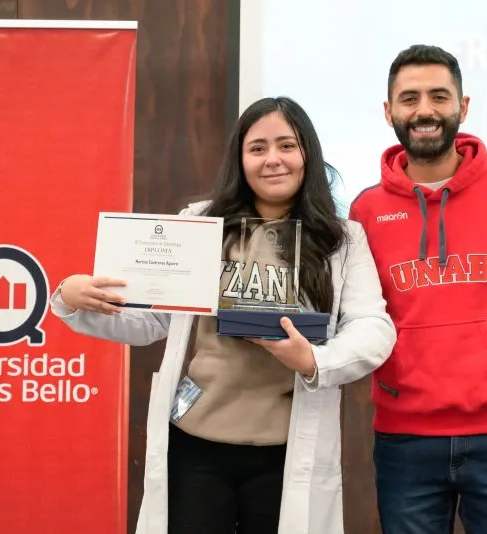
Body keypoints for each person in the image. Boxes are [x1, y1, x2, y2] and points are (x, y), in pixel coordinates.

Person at [50, 96, 396, 534]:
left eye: (286, 146)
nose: (273, 159)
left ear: (307, 152)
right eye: (258, 148)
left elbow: (372, 327)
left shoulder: (342, 239)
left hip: (286, 452)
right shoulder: (200, 222)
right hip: (197, 446)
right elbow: (154, 321)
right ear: (240, 159)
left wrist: (314, 361)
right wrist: (72, 297)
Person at [348, 45, 487, 534]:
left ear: (462, 108)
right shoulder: (366, 211)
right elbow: (360, 315)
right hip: (406, 438)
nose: (424, 110)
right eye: (410, 99)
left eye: (439, 96)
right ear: (389, 112)